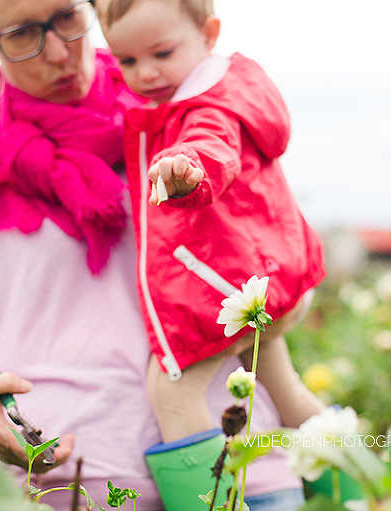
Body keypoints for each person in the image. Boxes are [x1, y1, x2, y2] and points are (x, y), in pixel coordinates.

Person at [0, 0, 310, 509]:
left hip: (249, 475)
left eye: (68, 17)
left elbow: (271, 242)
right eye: (23, 33)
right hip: (67, 490)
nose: (59, 52)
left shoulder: (186, 129)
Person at [96, 0, 327, 449]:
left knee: (172, 390)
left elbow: (211, 147)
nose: (146, 73)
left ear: (208, 34)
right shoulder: (224, 91)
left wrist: (186, 168)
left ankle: (211, 486)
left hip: (237, 289)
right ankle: (350, 467)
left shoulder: (206, 106)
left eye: (162, 53)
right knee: (284, 388)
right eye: (127, 60)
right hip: (267, 279)